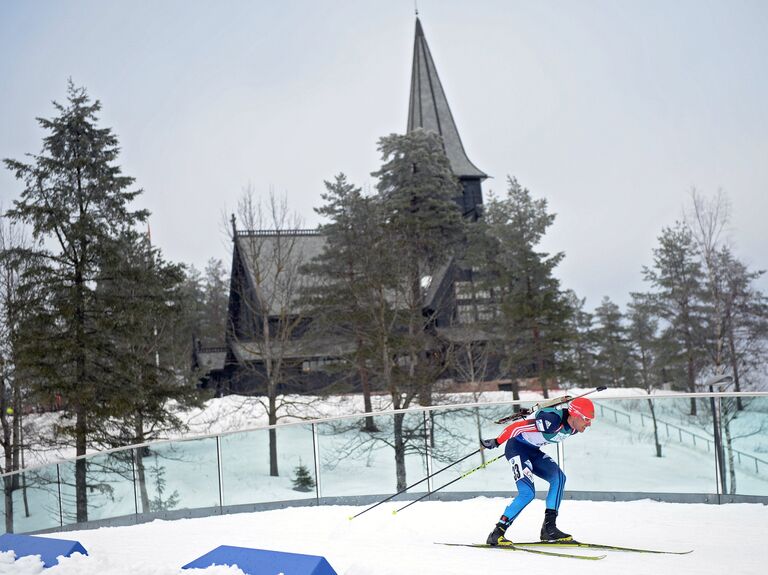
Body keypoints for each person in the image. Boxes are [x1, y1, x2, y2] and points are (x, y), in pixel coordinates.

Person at [480, 397, 596, 546]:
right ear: (575, 414)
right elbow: (517, 427)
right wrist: (497, 441)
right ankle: (497, 533)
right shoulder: (551, 421)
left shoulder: (574, 428)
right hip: (517, 448)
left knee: (559, 478)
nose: (589, 423)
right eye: (586, 419)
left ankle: (549, 529)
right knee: (527, 493)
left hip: (533, 451)